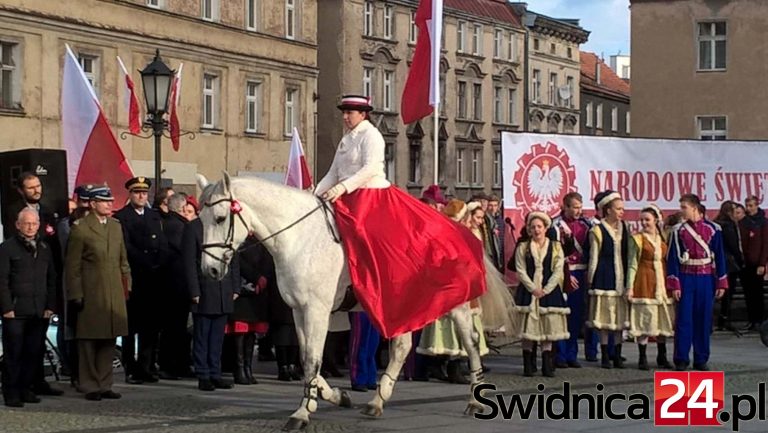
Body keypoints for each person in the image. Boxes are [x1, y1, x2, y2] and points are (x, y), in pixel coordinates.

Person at [314, 95, 486, 339]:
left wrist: (343, 187)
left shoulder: (371, 135)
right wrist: (314, 194)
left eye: (350, 112)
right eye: (344, 112)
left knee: (365, 232)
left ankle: (381, 280)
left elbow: (370, 168)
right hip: (348, 197)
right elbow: (333, 172)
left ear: (362, 114)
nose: (345, 116)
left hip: (370, 195)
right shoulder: (346, 140)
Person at [65, 186, 130, 401]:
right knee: (89, 340)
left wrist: (127, 286)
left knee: (109, 339)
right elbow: (73, 266)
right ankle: (89, 384)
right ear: (93, 204)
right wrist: (76, 294)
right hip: (91, 291)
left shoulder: (115, 227)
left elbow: (123, 260)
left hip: (114, 290)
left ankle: (105, 383)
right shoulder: (81, 228)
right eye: (104, 201)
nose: (109, 204)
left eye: (110, 201)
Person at [113, 177, 170, 384]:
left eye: (144, 193)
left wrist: (159, 262)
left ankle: (146, 366)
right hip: (135, 276)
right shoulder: (122, 217)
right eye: (137, 193)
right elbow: (126, 247)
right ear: (130, 194)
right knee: (131, 327)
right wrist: (146, 262)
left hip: (153, 278)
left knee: (150, 326)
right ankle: (131, 367)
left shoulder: (154, 217)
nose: (141, 196)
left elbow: (162, 243)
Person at [0, 208, 57, 407]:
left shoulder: (44, 247)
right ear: (18, 225)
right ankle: (11, 393)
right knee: (13, 354)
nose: (31, 227)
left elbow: (51, 278)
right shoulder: (7, 248)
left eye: (34, 223)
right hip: (15, 311)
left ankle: (26, 389)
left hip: (38, 310)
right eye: (26, 223)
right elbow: (2, 281)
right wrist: (6, 307)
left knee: (33, 353)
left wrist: (50, 305)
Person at [667, 194, 727, 371]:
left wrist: (721, 282)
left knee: (704, 319)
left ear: (695, 207)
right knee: (684, 319)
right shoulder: (678, 230)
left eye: (684, 207)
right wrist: (675, 284)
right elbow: (672, 259)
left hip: (706, 278)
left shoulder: (713, 229)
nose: (681, 211)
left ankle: (701, 358)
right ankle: (681, 358)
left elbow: (720, 256)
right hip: (686, 277)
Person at [184, 206, 240, 392]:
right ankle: (203, 374)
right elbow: (189, 262)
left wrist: (235, 286)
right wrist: (194, 290)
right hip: (204, 290)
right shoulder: (194, 227)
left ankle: (215, 373)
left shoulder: (224, 226)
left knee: (217, 338)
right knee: (202, 336)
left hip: (224, 290)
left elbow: (233, 258)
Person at [513, 212, 569, 377]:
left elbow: (558, 270)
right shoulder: (523, 247)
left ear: (545, 228)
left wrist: (547, 289)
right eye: (533, 227)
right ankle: (528, 364)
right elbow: (520, 269)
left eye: (539, 226)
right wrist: (532, 288)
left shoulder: (555, 247)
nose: (536, 230)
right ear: (529, 230)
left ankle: (546, 364)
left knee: (548, 327)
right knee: (527, 328)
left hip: (549, 291)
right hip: (528, 291)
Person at [626, 206, 674, 370]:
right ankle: (642, 357)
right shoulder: (637, 239)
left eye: (647, 219)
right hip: (645, 280)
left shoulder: (663, 237)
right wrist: (630, 286)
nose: (644, 223)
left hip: (661, 280)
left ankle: (662, 356)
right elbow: (632, 263)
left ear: (656, 220)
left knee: (661, 320)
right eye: (642, 220)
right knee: (645, 319)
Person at [548, 192, 592, 369]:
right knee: (561, 314)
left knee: (576, 316)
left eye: (580, 207)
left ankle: (572, 354)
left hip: (580, 272)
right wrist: (565, 274)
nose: (578, 211)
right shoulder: (555, 225)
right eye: (574, 207)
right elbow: (554, 254)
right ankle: (559, 354)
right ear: (565, 207)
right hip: (562, 273)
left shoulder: (586, 225)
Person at [587, 190, 630, 369]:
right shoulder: (597, 230)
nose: (621, 212)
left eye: (622, 209)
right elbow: (594, 257)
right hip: (605, 276)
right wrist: (591, 279)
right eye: (618, 209)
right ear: (608, 210)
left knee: (620, 318)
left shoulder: (624, 227)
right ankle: (604, 354)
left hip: (622, 277)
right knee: (604, 318)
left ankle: (617, 354)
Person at [158, 193, 192, 380]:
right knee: (174, 328)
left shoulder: (170, 223)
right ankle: (172, 365)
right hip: (176, 285)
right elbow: (185, 250)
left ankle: (178, 364)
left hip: (174, 284)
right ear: (181, 208)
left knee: (176, 328)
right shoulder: (177, 226)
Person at [229, 237, 270, 385]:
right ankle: (239, 369)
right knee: (240, 332)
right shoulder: (239, 240)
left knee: (252, 333)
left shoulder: (261, 241)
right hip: (242, 291)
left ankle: (248, 367)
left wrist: (264, 277)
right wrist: (256, 277)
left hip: (258, 293)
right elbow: (237, 261)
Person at [738, 196, 768, 332]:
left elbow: (765, 244)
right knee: (748, 293)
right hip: (745, 263)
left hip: (757, 263)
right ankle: (751, 320)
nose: (749, 208)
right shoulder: (743, 222)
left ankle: (759, 320)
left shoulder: (763, 222)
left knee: (757, 293)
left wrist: (762, 263)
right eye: (747, 205)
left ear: (757, 205)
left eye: (751, 205)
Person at [714, 201, 745, 331]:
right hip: (729, 263)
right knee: (728, 293)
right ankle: (724, 319)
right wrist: (740, 259)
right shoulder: (728, 226)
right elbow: (733, 245)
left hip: (718, 261)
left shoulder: (716, 225)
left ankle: (721, 319)